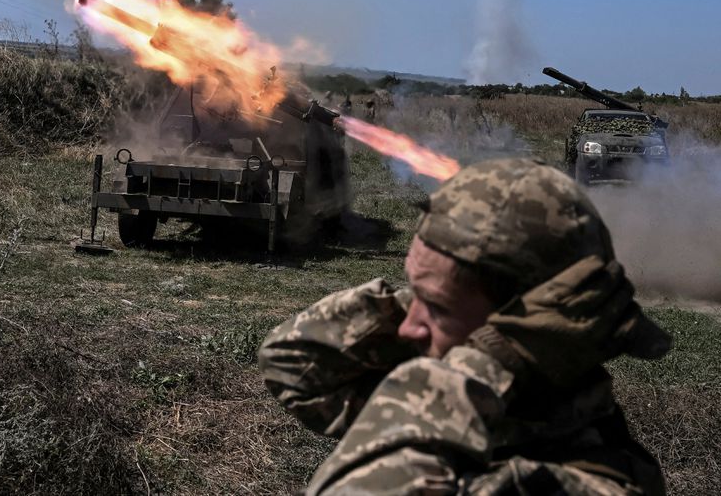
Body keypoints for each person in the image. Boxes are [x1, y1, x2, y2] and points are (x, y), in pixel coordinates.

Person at [258, 158, 671, 495]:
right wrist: (428, 295)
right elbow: (290, 363)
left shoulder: (580, 482)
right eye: (410, 295)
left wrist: (484, 361)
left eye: (436, 309)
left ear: (527, 324)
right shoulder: (497, 418)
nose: (407, 328)